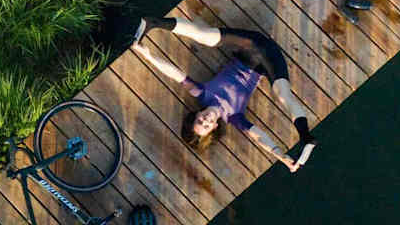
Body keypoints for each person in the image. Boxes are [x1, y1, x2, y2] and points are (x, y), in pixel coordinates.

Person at [130, 16, 315, 172]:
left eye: (200, 121)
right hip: (270, 62)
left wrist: (148, 56)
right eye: (207, 126)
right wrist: (280, 156)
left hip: (250, 45)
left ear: (197, 114)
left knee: (205, 37)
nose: (206, 120)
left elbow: (175, 74)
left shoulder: (202, 94)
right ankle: (306, 136)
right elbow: (258, 136)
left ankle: (153, 22)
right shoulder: (234, 117)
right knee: (283, 95)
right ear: (214, 127)